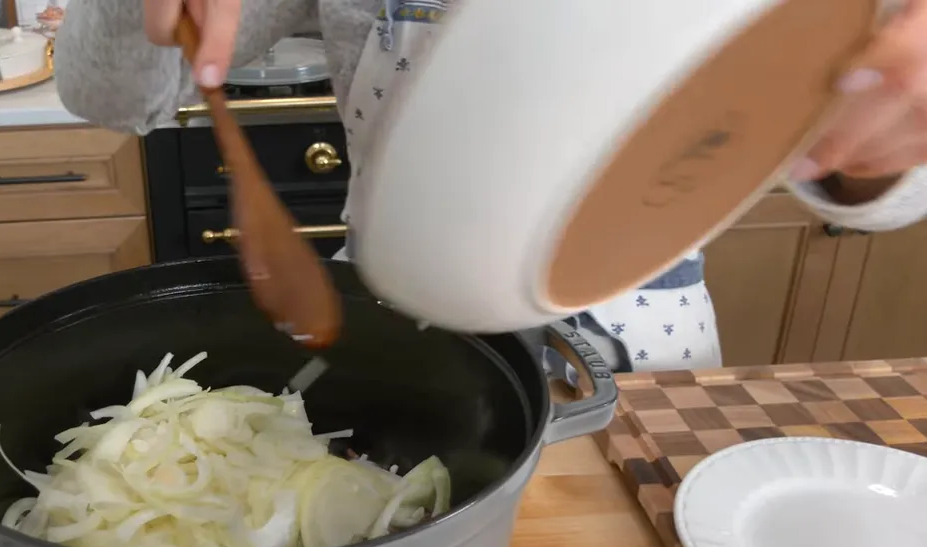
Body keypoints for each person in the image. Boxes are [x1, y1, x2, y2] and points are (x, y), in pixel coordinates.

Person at [54, 0, 927, 372]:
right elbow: (109, 93)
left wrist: (886, 127)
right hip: (387, 340)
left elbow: (890, 194)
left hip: (652, 357)